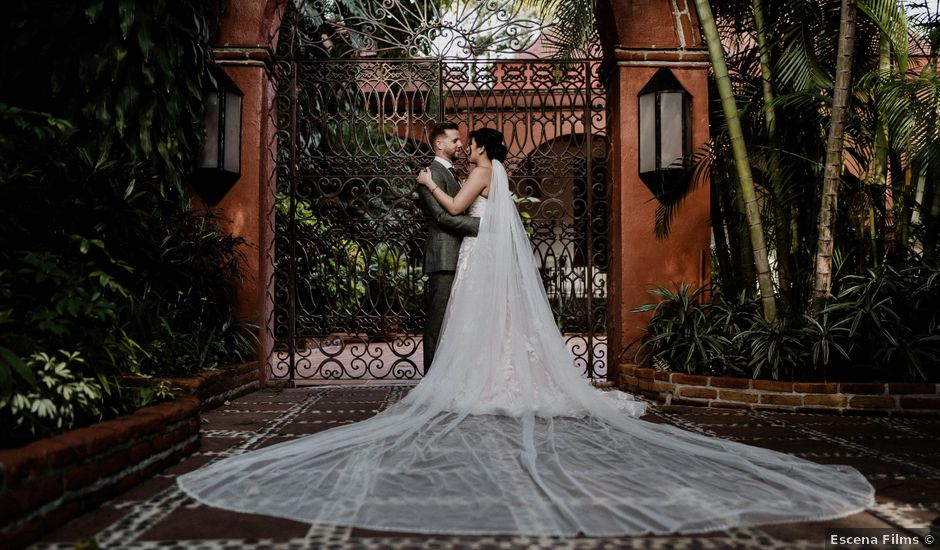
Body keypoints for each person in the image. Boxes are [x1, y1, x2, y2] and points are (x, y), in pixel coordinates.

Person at [178, 128, 875, 537]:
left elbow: (453, 206)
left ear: (480, 147)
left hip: (476, 256)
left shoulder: (479, 173)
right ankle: (500, 375)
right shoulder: (501, 172)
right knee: (498, 329)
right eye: (463, 141)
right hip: (485, 258)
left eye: (471, 141)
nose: (468, 143)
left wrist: (427, 181)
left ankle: (475, 380)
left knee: (477, 331)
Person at [414, 122, 480, 372]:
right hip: (443, 258)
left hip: (459, 256)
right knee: (437, 322)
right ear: (439, 144)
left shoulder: (449, 173)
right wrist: (483, 225)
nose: (460, 144)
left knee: (454, 322)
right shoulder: (429, 174)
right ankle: (431, 380)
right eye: (455, 140)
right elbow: (443, 218)